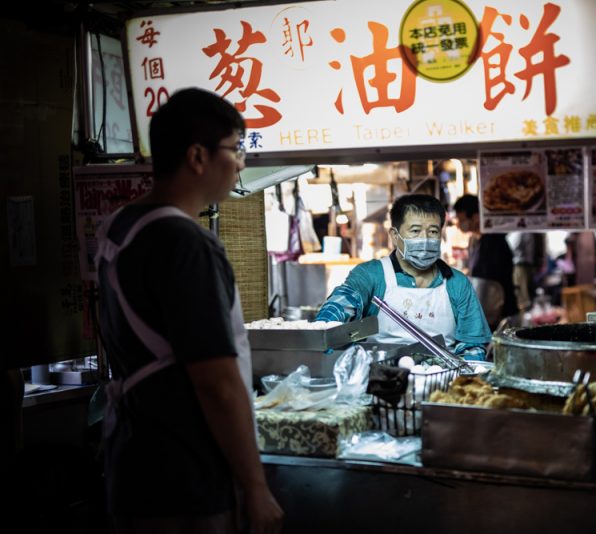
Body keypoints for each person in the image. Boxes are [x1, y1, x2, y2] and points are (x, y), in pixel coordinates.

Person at [95, 88, 283, 534]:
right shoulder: (184, 242)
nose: (241, 163)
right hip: (184, 474)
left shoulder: (121, 225)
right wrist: (255, 488)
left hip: (135, 461)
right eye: (235, 149)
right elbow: (216, 381)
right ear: (198, 156)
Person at [315, 194, 491, 360]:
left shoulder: (457, 283)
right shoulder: (371, 275)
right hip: (381, 380)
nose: (425, 239)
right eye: (415, 231)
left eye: (433, 232)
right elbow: (339, 307)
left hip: (443, 382)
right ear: (394, 235)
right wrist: (325, 330)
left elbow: (473, 346)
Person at [453, 195, 518, 327]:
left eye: (461, 219)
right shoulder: (477, 241)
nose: (459, 224)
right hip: (489, 314)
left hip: (500, 316)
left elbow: (490, 281)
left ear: (476, 217)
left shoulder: (494, 242)